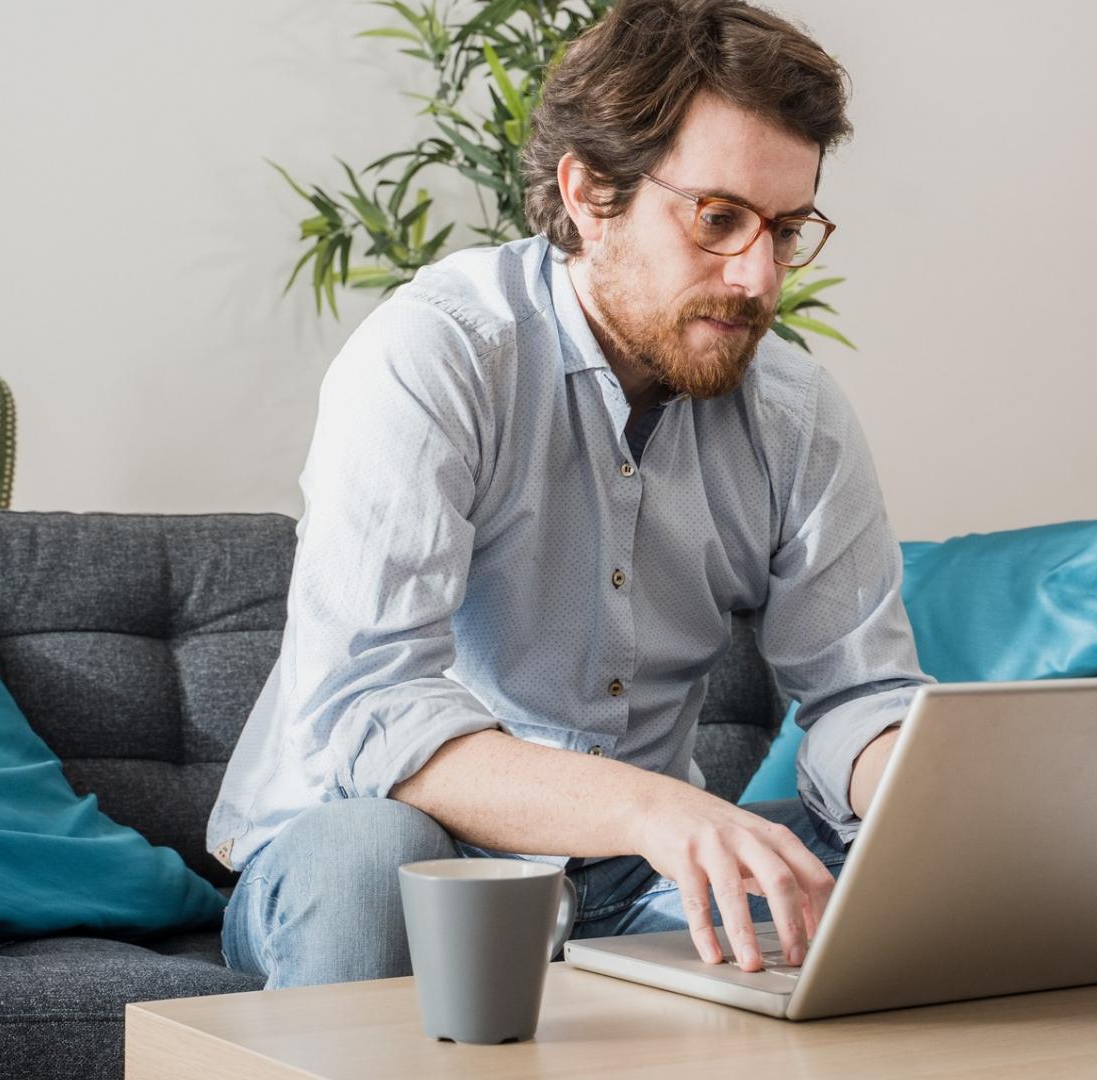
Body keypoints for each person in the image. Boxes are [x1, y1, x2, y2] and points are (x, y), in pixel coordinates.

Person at [207, 0, 932, 988]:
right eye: (716, 219)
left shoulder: (795, 413)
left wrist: (929, 800)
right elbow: (373, 714)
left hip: (633, 875)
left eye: (785, 228)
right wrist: (657, 809)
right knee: (366, 857)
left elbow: (857, 692)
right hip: (398, 847)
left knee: (874, 881)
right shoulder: (439, 352)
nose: (758, 276)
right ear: (589, 191)